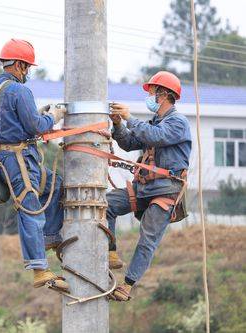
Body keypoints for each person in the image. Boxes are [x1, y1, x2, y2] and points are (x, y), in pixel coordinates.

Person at [0, 39, 69, 292]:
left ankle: (50, 238)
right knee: (30, 206)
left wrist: (32, 114)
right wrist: (53, 116)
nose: (28, 71)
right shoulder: (19, 91)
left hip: (4, 157)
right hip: (17, 158)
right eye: (27, 67)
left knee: (54, 183)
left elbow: (4, 119)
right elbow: (36, 127)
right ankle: (39, 268)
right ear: (19, 65)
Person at [107, 71, 192, 301]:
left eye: (153, 91)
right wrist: (118, 125)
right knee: (105, 204)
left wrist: (129, 118)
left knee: (147, 238)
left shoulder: (178, 122)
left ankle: (127, 285)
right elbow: (129, 143)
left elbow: (157, 137)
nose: (151, 95)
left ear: (164, 94)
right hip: (144, 187)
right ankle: (110, 252)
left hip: (166, 190)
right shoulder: (153, 123)